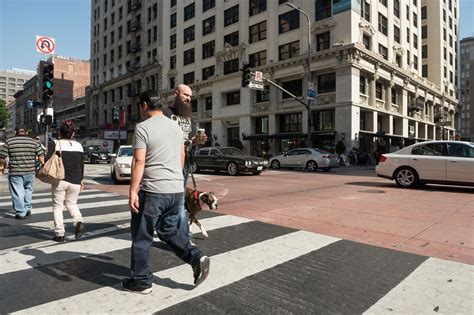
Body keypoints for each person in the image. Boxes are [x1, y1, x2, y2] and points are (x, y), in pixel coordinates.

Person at [122, 90, 210, 295]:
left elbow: (139, 161)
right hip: (175, 189)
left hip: (153, 191)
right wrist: (175, 181)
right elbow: (181, 156)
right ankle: (197, 258)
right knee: (169, 232)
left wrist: (133, 191)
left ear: (144, 105)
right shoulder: (176, 127)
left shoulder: (142, 128)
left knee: (142, 236)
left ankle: (141, 281)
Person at [163, 84, 207, 238]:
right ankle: (171, 228)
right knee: (169, 198)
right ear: (176, 94)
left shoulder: (189, 117)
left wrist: (198, 141)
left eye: (190, 96)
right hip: (168, 164)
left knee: (180, 199)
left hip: (185, 165)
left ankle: (177, 231)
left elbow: (190, 140)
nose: (188, 98)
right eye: (185, 95)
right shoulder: (166, 113)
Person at [46, 121, 85, 242]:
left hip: (60, 179)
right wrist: (81, 180)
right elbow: (81, 165)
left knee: (58, 206)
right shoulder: (79, 146)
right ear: (73, 134)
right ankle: (78, 221)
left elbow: (48, 160)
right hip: (76, 180)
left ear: (59, 133)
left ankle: (59, 233)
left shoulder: (55, 143)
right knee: (72, 203)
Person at [0, 127, 45, 219]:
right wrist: (43, 165)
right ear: (26, 132)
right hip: (30, 171)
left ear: (15, 132)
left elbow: (2, 157)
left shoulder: (9, 142)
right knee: (28, 189)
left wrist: (1, 167)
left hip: (15, 172)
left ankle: (21, 212)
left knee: (17, 191)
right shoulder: (34, 142)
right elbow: (41, 155)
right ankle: (27, 208)